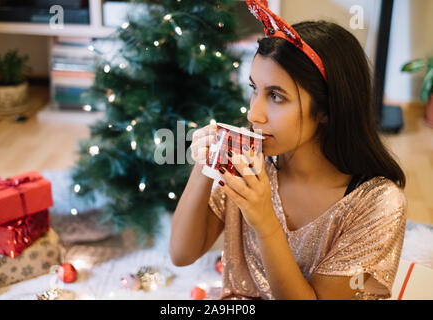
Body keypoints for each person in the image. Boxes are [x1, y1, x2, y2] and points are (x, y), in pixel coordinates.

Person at [169, 13, 407, 299]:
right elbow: (182, 254)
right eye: (254, 89)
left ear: (327, 109)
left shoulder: (377, 204)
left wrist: (264, 221)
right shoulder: (250, 161)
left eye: (277, 96)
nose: (253, 114)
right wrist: (203, 167)